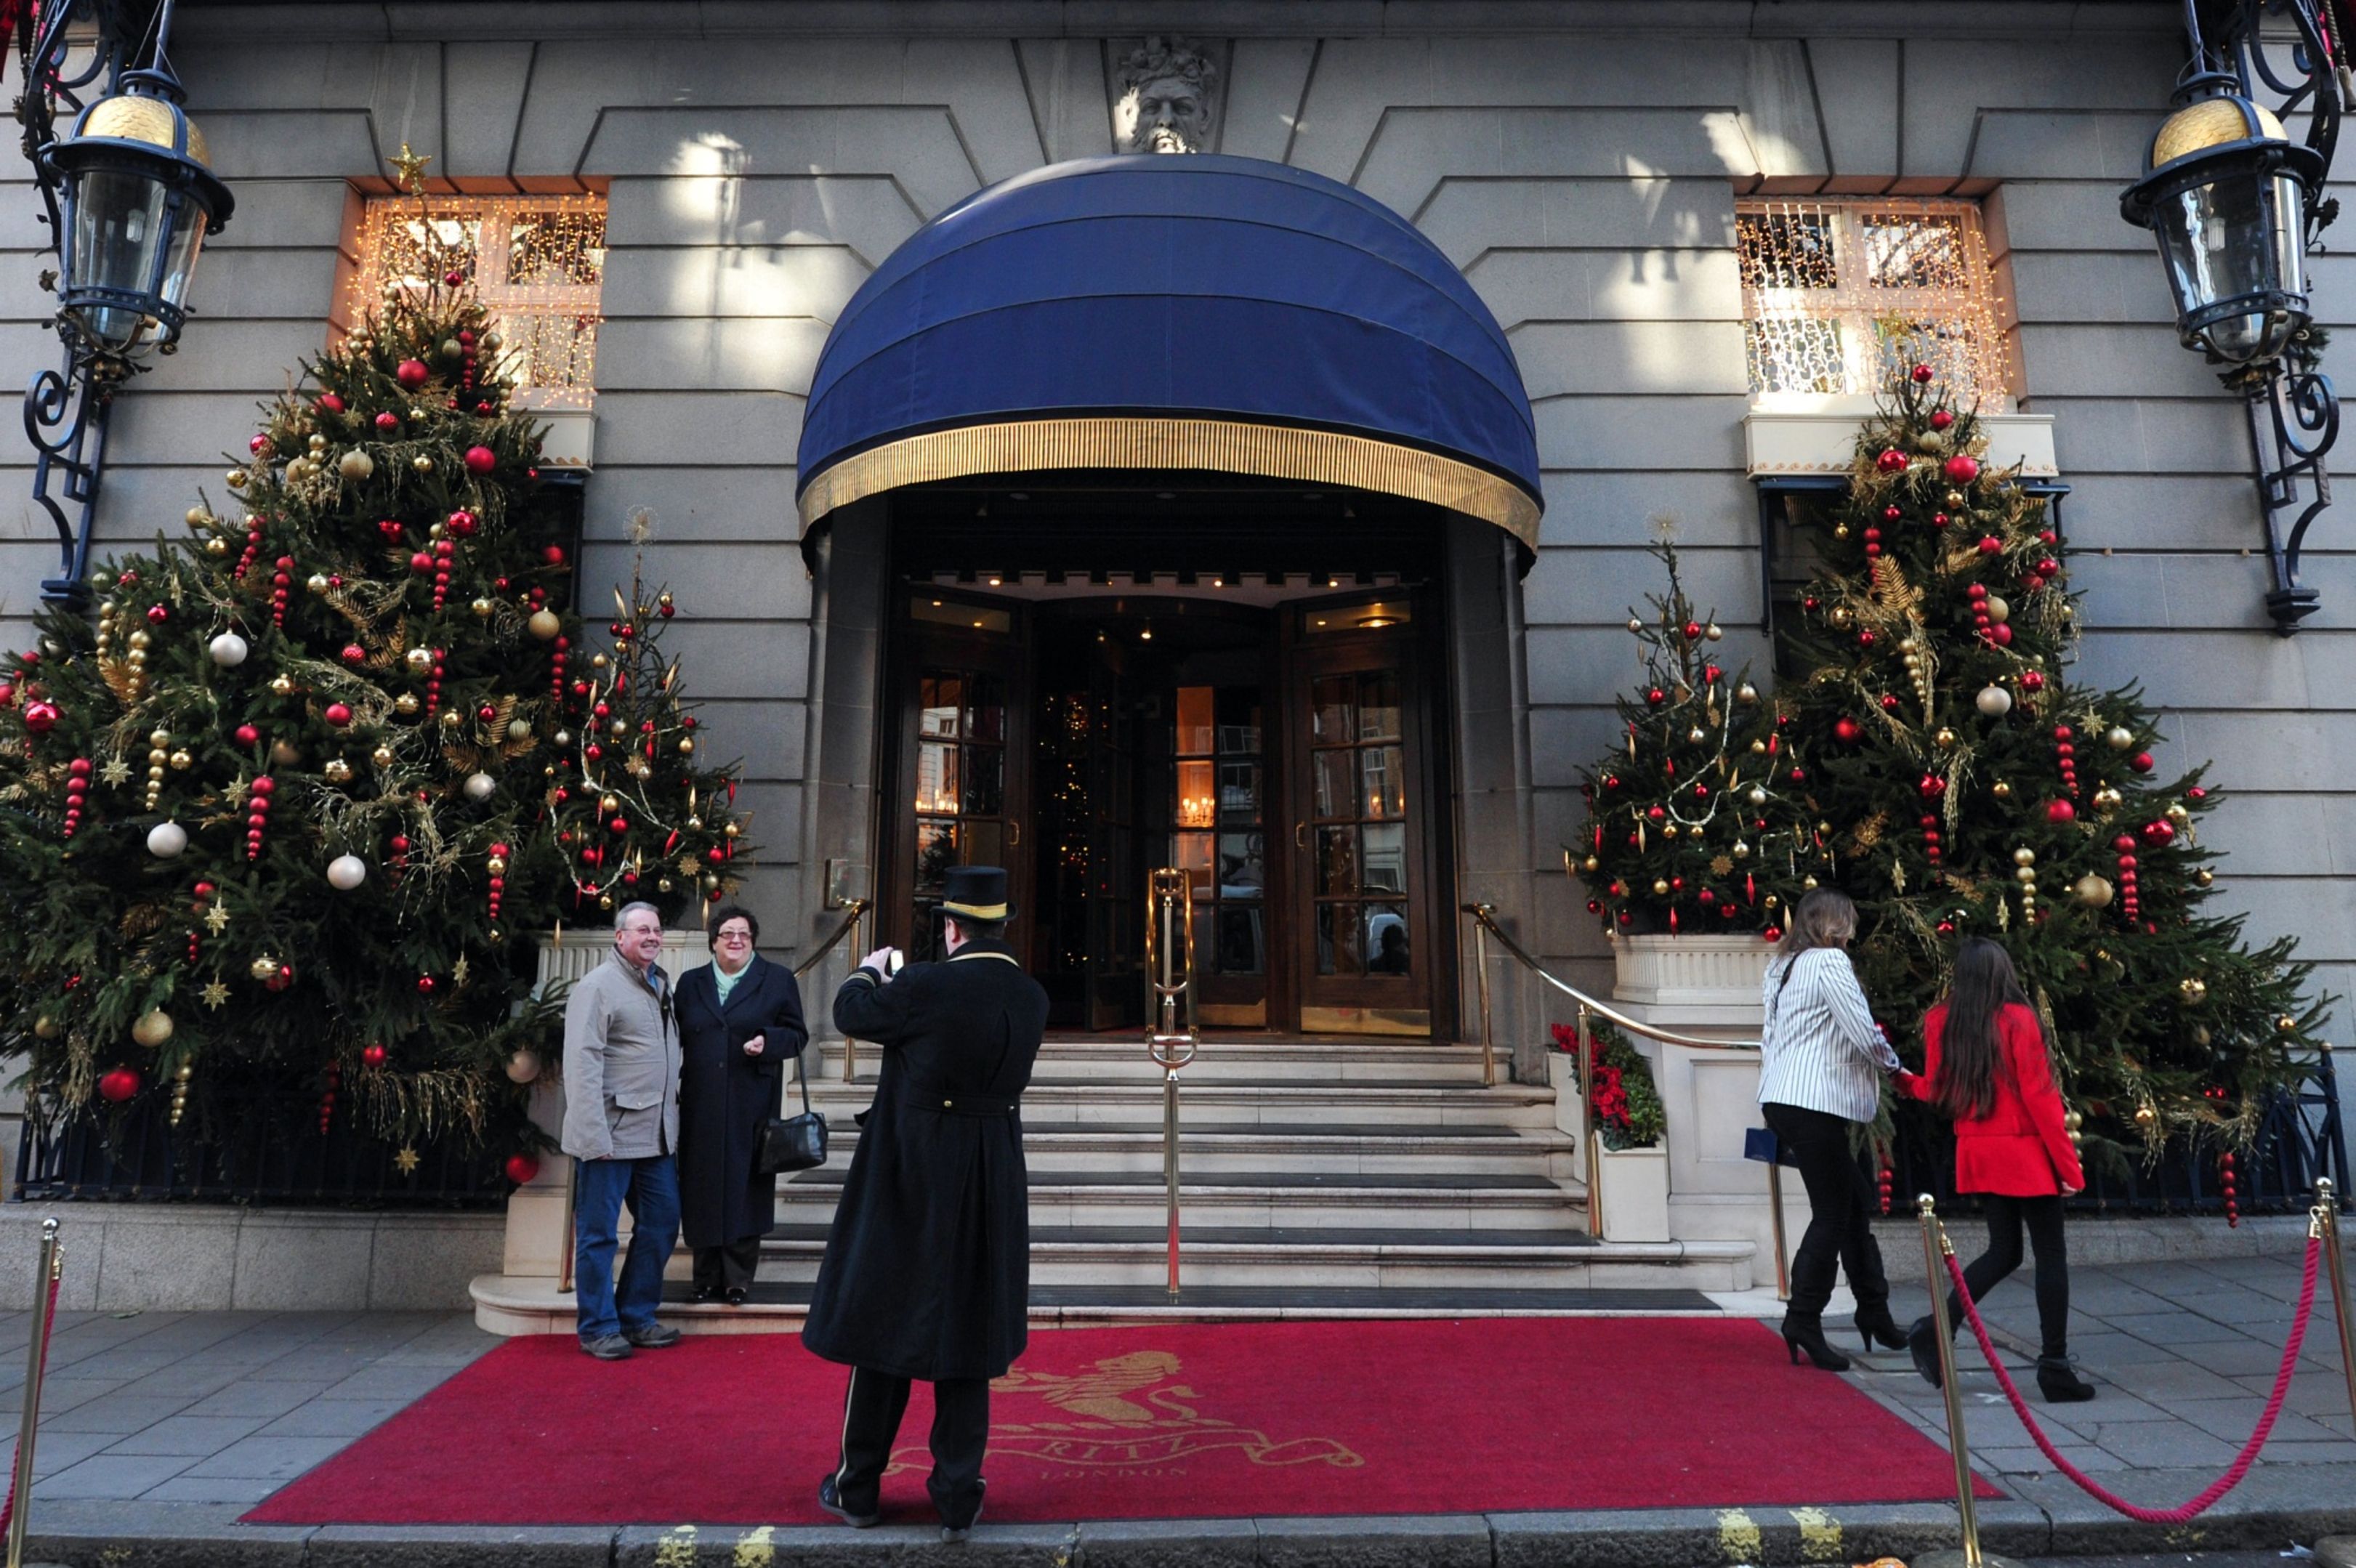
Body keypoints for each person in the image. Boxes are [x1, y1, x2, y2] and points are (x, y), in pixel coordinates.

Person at [804, 866, 1049, 1543]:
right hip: (990, 1172)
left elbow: (850, 1014)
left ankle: (857, 1485)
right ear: (999, 925)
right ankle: (957, 1494)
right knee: (969, 1336)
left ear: (950, 928)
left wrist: (870, 972)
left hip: (914, 1173)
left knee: (882, 1326)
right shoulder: (1030, 997)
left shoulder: (925, 985)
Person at [1900, 938, 2095, 1402]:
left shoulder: (1940, 1020)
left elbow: (1939, 1092)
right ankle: (2054, 1365)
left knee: (2003, 1252)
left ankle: (1938, 1326)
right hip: (2026, 1156)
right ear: (2002, 972)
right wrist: (2069, 1168)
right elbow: (2042, 1100)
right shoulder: (2016, 1018)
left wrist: (1904, 1082)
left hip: (1980, 1154)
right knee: (2050, 1257)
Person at [1756, 886, 1907, 1371]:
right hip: (1813, 1101)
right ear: (1836, 923)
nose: (1854, 931)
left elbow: (1772, 1036)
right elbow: (1862, 1029)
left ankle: (1874, 1311)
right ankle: (1803, 1318)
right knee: (1833, 1215)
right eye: (1851, 921)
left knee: (1854, 1205)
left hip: (1785, 1096)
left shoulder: (1781, 967)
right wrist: (1895, 1068)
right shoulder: (1829, 963)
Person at [560, 900, 684, 1361]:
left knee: (662, 1223)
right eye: (641, 930)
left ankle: (636, 1316)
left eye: (656, 929)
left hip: (656, 1137)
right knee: (599, 1236)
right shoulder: (598, 987)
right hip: (609, 1137)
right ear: (620, 938)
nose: (652, 936)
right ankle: (598, 1327)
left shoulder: (660, 984)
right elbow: (582, 1063)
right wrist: (594, 1137)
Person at [674, 903, 807, 1306]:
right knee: (702, 1185)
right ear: (713, 941)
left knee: (746, 1187)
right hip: (701, 1101)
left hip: (752, 1102)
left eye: (744, 935)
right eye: (728, 934)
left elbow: (797, 1035)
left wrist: (768, 1041)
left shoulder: (778, 980)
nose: (736, 941)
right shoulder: (690, 982)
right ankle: (705, 1277)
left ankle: (737, 1280)